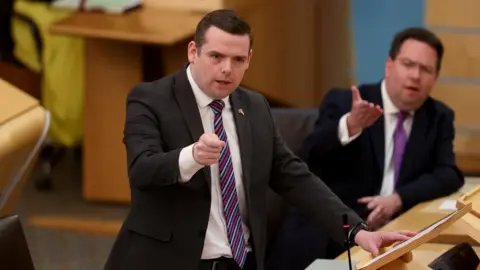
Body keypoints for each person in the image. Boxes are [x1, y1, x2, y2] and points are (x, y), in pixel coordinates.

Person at [103, 9, 415, 270]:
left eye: (238, 60)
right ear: (193, 52)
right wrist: (192, 156)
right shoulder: (150, 98)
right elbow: (141, 170)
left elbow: (294, 177)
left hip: (240, 262)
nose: (227, 69)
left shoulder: (253, 106)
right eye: (216, 56)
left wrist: (357, 231)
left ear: (249, 59)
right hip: (169, 262)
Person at [267, 27, 464, 269]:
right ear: (389, 66)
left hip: (394, 233)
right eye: (408, 64)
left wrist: (397, 199)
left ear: (435, 77)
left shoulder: (438, 116)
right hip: (332, 234)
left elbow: (449, 174)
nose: (415, 75)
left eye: (425, 70)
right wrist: (350, 125)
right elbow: (308, 157)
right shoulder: (345, 101)